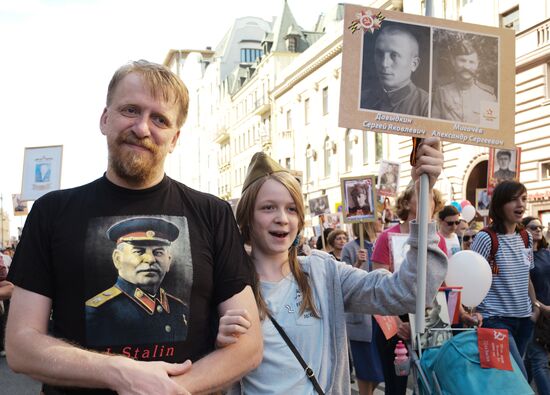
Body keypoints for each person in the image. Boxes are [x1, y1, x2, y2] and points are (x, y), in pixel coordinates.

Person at [6, 60, 262, 395]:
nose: (142, 128)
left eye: (160, 119)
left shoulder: (212, 212)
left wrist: (173, 389)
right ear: (105, 118)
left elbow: (250, 346)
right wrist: (119, 373)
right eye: (131, 110)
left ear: (175, 138)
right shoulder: (52, 212)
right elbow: (21, 345)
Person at [218, 139, 446, 394]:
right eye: (268, 207)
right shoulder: (228, 289)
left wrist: (423, 202)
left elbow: (411, 291)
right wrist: (220, 347)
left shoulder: (324, 273)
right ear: (247, 216)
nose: (282, 218)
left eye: (291, 209)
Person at [371, 183, 447, 395]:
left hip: (427, 317)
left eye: (431, 195)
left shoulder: (437, 241)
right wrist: (397, 324)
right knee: (396, 388)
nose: (427, 199)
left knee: (429, 383)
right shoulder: (386, 237)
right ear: (406, 202)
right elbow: (377, 286)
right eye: (421, 193)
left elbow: (442, 285)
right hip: (392, 319)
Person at [85, 217, 189, 346]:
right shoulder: (98, 312)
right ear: (118, 259)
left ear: (168, 261)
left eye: (158, 252)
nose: (150, 259)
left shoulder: (180, 308)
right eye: (139, 251)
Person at [471, 181, 538, 379]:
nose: (521, 205)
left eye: (523, 199)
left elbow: (526, 276)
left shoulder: (526, 237)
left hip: (525, 320)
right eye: (513, 199)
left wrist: (534, 308)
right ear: (500, 205)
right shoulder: (486, 238)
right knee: (518, 378)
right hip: (495, 320)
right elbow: (473, 278)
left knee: (503, 381)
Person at [341, 222, 384, 395]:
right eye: (377, 218)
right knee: (365, 367)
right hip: (362, 318)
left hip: (382, 315)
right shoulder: (350, 248)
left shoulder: (381, 243)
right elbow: (343, 282)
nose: (380, 221)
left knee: (381, 370)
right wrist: (357, 264)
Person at [361, 24, 428, 116]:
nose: (384, 64)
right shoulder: (362, 99)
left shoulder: (426, 105)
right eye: (379, 54)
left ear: (414, 64)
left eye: (394, 55)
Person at [432, 39, 497, 124]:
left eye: (471, 62)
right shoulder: (442, 92)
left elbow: (491, 132)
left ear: (477, 64)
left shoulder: (488, 96)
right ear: (453, 61)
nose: (466, 66)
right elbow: (434, 126)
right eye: (462, 60)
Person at [522, 216, 550, 394]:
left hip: (549, 314)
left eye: (540, 227)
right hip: (533, 312)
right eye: (533, 227)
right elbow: (522, 284)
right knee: (539, 360)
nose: (538, 230)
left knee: (530, 361)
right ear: (523, 230)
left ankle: (518, 388)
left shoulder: (547, 253)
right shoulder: (523, 255)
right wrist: (539, 306)